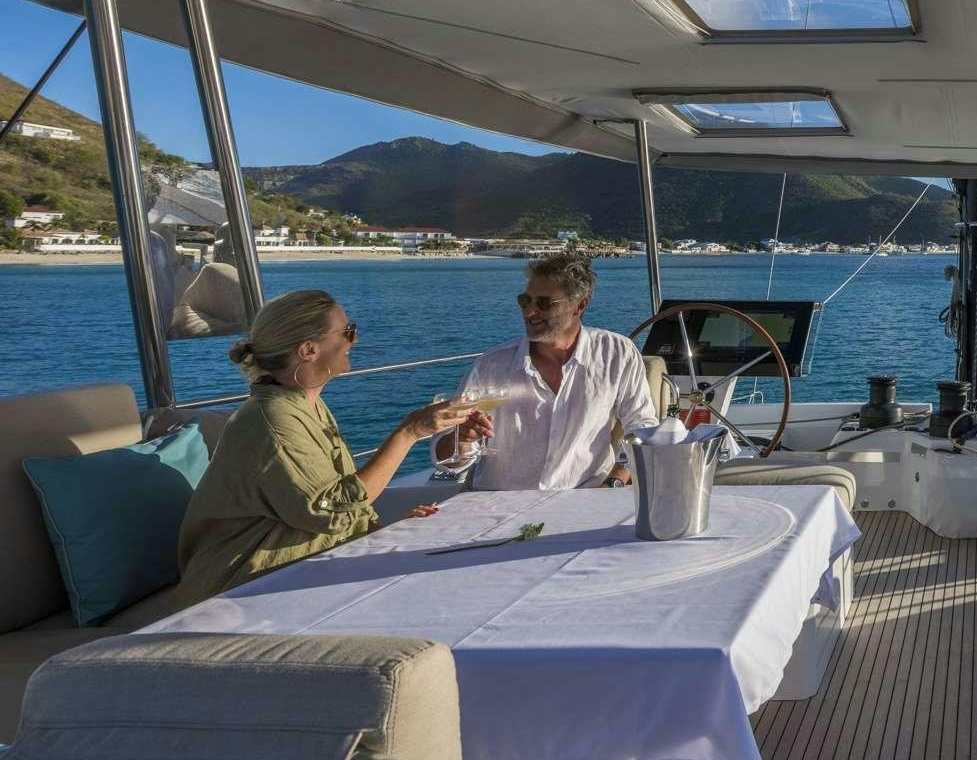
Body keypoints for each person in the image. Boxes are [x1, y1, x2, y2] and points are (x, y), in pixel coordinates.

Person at [173, 289, 486, 608]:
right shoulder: (273, 421)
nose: (355, 340)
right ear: (308, 349)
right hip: (241, 590)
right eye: (348, 332)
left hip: (292, 571)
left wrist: (382, 530)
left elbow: (328, 504)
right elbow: (330, 512)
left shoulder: (306, 406)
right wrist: (410, 431)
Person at [442, 251, 657, 489]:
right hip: (501, 506)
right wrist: (460, 440)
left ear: (580, 305)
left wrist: (616, 479)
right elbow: (449, 460)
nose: (529, 311)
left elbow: (642, 427)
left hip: (584, 500)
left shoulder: (617, 353)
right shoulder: (491, 366)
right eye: (525, 301)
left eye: (543, 303)